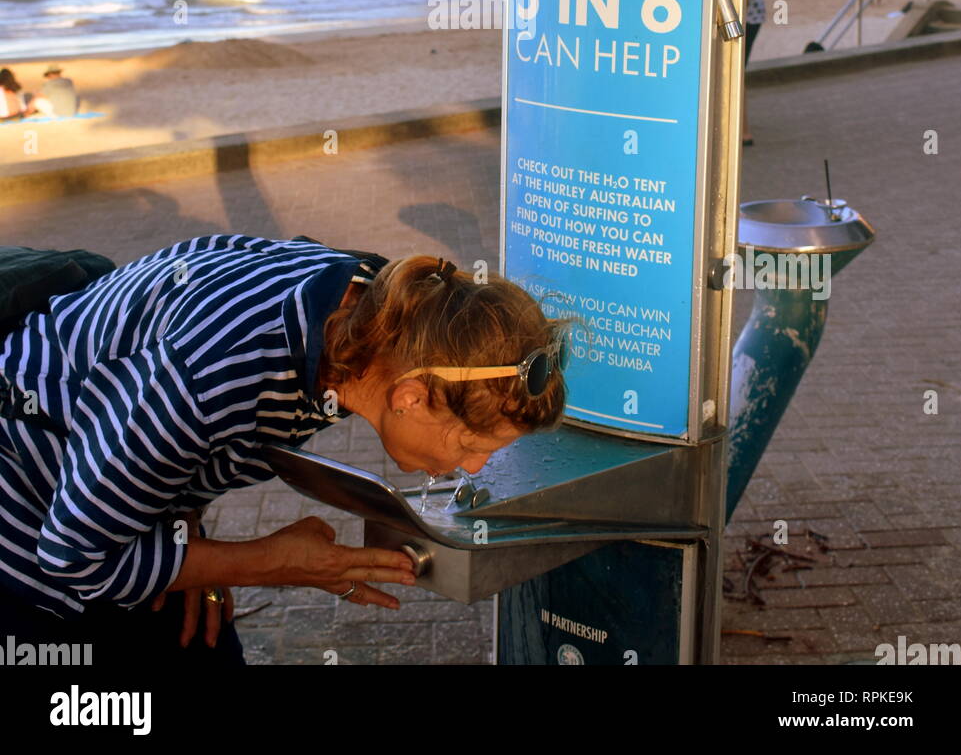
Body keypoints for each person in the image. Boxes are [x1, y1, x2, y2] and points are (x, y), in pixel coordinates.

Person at [0, 236, 567, 666]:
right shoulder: (210, 375)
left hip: (114, 499)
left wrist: (184, 535)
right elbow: (74, 561)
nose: (474, 466)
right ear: (411, 398)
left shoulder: (382, 312)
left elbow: (158, 436)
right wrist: (273, 562)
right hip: (26, 510)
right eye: (472, 445)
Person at [743, 0, 765, 146]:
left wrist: (739, 12)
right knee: (735, 70)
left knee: (734, 71)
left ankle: (744, 131)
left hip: (746, 16)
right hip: (746, 15)